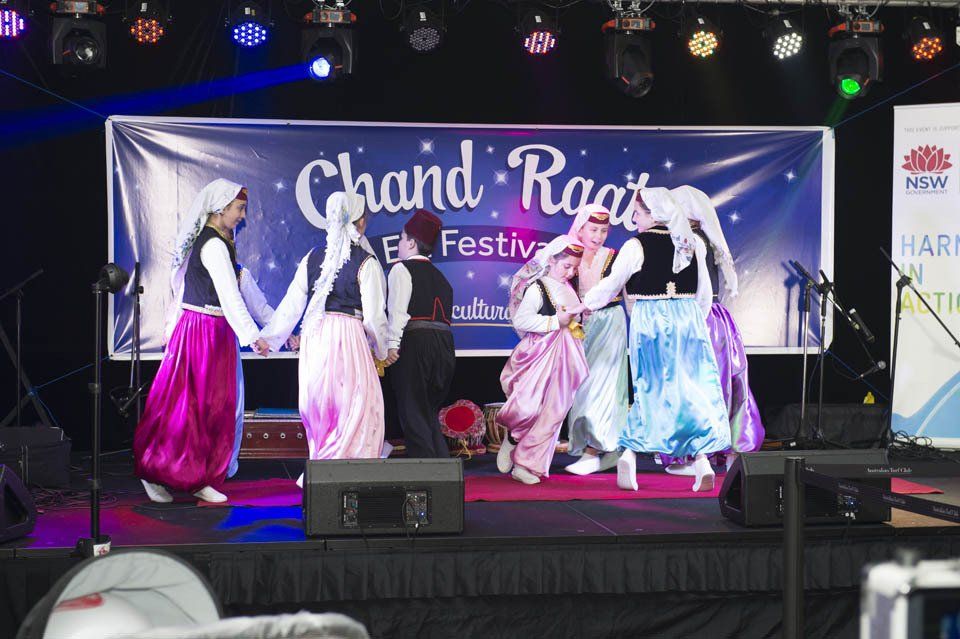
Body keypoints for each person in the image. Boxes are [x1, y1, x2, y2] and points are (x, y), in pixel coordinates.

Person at [577, 187, 731, 492]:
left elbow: (612, 284)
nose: (634, 219)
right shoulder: (690, 243)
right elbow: (702, 293)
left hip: (651, 320)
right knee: (692, 389)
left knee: (651, 388)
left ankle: (631, 454)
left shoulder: (636, 245)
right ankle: (700, 459)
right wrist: (693, 321)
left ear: (653, 213)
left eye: (638, 213)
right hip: (687, 319)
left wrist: (586, 303)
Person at [135, 178, 270, 504]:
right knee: (186, 408)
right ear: (220, 207)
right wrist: (253, 337)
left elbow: (238, 295)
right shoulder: (211, 245)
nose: (241, 215)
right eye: (238, 208)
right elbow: (229, 296)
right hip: (200, 332)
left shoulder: (222, 242)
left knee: (215, 408)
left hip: (217, 333)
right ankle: (153, 470)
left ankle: (199, 477)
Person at [260, 191, 388, 487]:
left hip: (316, 337)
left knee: (322, 406)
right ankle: (343, 475)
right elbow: (373, 318)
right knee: (356, 407)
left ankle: (322, 470)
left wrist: (270, 338)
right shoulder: (366, 262)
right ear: (360, 221)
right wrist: (381, 348)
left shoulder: (312, 257)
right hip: (349, 336)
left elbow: (292, 304)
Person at [661, 185, 764, 475]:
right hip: (716, 319)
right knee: (726, 383)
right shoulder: (704, 238)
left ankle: (697, 452)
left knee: (698, 385)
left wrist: (688, 317)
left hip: (699, 318)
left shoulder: (690, 240)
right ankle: (728, 449)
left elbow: (701, 287)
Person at [496, 235, 589, 485]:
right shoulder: (540, 287)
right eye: (565, 266)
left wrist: (577, 322)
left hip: (565, 357)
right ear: (551, 261)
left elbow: (572, 322)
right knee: (528, 407)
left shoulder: (569, 289)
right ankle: (514, 436)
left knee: (553, 412)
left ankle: (527, 465)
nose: (570, 272)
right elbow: (522, 321)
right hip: (538, 355)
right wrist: (553, 322)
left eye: (574, 268)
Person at [384, 209, 456, 459]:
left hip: (415, 344)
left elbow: (398, 312)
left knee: (413, 412)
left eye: (402, 239)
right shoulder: (443, 279)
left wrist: (391, 346)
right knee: (427, 412)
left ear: (412, 242)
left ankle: (425, 474)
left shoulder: (400, 270)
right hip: (445, 347)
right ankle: (442, 468)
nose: (400, 245)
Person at [563, 204, 629, 476]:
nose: (599, 235)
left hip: (610, 323)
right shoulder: (570, 257)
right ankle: (607, 449)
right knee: (582, 387)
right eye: (593, 229)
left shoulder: (615, 257)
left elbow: (628, 294)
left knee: (605, 386)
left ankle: (593, 451)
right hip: (580, 328)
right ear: (580, 228)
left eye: (604, 230)